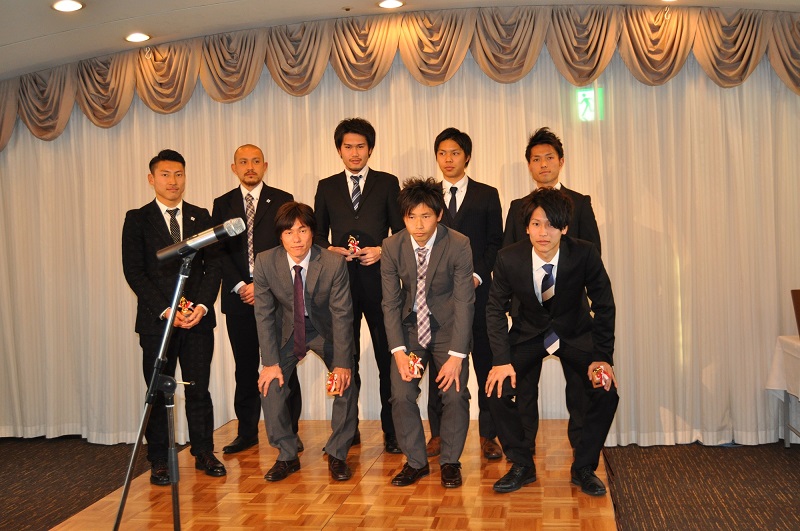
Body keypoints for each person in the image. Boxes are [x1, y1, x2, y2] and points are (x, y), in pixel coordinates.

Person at [486, 187, 618, 495]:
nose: (543, 232)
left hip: (575, 334)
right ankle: (522, 465)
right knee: (496, 389)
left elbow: (604, 305)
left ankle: (584, 467)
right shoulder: (508, 258)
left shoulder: (584, 253)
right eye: (536, 224)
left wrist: (602, 357)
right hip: (529, 333)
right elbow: (494, 310)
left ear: (564, 227)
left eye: (551, 224)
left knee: (606, 391)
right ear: (526, 227)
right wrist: (501, 361)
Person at [122, 148, 226, 485]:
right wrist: (168, 311)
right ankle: (159, 460)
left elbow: (214, 266)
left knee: (198, 389)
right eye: (165, 175)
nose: (173, 181)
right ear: (151, 179)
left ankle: (204, 451)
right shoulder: (137, 219)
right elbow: (134, 272)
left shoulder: (201, 216)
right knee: (158, 390)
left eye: (178, 174)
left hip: (196, 321)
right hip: (158, 323)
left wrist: (202, 306)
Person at [502, 127, 602, 455]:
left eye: (549, 157)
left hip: (571, 317)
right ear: (529, 165)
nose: (543, 164)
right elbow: (507, 258)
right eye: (536, 159)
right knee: (523, 388)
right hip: (528, 317)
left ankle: (582, 455)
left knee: (580, 388)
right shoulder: (518, 206)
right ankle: (523, 456)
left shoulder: (580, 203)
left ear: (561, 161)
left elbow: (593, 255)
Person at [313, 117, 404, 454]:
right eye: (348, 146)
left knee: (386, 358)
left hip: (380, 284)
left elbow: (401, 232)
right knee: (345, 358)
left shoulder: (387, 183)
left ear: (370, 149)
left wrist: (382, 250)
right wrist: (329, 249)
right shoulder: (326, 186)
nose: (355, 152)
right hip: (339, 287)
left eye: (361, 146)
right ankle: (347, 429)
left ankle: (392, 431)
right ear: (339, 150)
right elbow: (316, 234)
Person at [381, 177, 475, 488]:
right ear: (403, 217)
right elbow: (390, 302)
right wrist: (398, 351)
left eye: (426, 216)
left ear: (439, 215)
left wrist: (457, 355)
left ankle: (450, 462)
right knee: (401, 394)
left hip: (448, 328)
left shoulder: (458, 244)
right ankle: (416, 462)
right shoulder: (391, 246)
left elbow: (464, 301)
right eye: (411, 217)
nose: (419, 225)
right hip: (410, 329)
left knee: (455, 393)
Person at [254, 202, 358, 482]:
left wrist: (343, 363)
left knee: (346, 381)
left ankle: (337, 453)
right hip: (287, 331)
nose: (296, 239)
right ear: (280, 236)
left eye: (302, 230)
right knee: (269, 385)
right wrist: (270, 363)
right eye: (289, 232)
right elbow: (263, 314)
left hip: (325, 330)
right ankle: (287, 455)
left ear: (312, 231)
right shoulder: (265, 262)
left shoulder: (333, 262)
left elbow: (342, 314)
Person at [211, 144, 303, 455]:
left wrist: (262, 286)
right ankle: (246, 432)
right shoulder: (222, 204)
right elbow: (217, 251)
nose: (249, 167)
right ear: (233, 167)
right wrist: (241, 285)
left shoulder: (282, 199)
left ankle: (290, 431)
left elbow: (289, 245)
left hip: (277, 298)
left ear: (265, 165)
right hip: (238, 299)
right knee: (245, 366)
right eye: (243, 162)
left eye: (255, 161)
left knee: (284, 365)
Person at [425, 128, 504, 461]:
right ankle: (438, 433)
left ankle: (489, 434)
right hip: (438, 299)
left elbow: (495, 243)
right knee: (439, 365)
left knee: (486, 363)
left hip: (480, 295)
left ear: (467, 156)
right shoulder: (428, 196)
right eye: (442, 153)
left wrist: (475, 275)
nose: (448, 159)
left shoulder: (487, 194)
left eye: (455, 153)